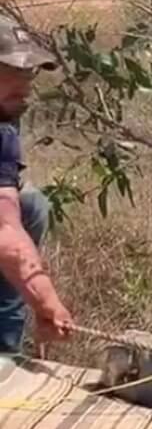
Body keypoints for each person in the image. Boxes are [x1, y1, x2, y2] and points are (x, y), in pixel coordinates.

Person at [0, 17, 74, 353]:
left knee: (29, 205)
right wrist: (45, 299)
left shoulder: (5, 121)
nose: (26, 84)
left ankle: (5, 352)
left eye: (29, 72)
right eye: (13, 72)